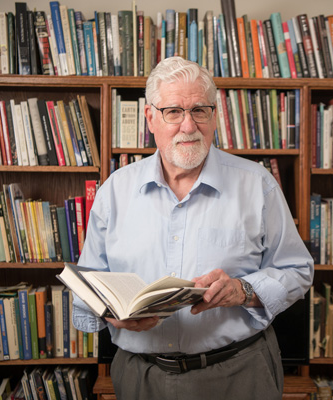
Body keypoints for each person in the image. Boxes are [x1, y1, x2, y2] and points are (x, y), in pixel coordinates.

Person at [73, 56, 314, 400]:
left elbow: (298, 269)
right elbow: (90, 282)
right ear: (150, 118)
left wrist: (243, 291)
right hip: (140, 376)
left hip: (239, 375)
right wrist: (113, 314)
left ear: (214, 116)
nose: (188, 126)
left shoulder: (256, 184)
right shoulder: (115, 189)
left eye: (199, 110)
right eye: (173, 111)